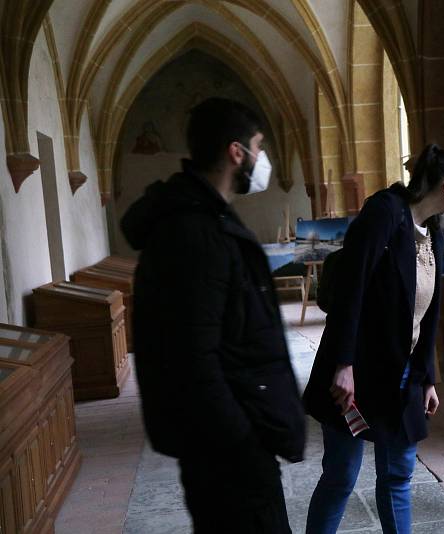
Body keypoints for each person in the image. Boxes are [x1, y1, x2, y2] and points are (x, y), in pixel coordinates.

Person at [121, 97, 305, 534]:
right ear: (235, 152)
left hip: (227, 446)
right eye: (259, 147)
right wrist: (242, 439)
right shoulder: (193, 233)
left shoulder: (202, 221)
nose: (263, 160)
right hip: (226, 453)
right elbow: (191, 358)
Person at [303, 143, 444, 534]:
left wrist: (427, 376)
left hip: (403, 375)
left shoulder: (435, 232)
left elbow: (429, 315)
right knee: (341, 476)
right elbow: (351, 291)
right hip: (358, 371)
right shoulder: (384, 212)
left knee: (398, 477)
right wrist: (343, 366)